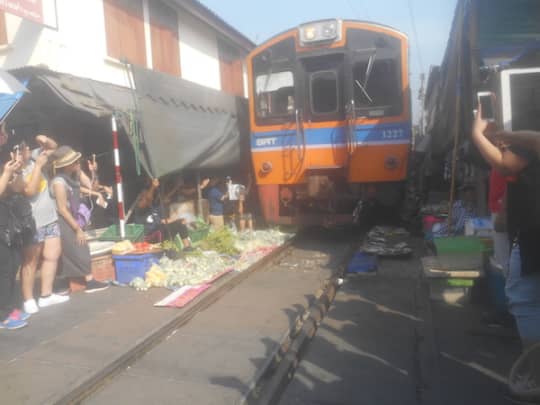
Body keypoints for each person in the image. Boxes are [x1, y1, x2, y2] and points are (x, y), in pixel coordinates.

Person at [472, 106, 540, 350]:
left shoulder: (529, 148)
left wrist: (478, 134)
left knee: (523, 296)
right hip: (526, 231)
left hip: (533, 235)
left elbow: (505, 166)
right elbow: (512, 179)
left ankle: (534, 370)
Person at [20, 136, 69, 314]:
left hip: (50, 217)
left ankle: (46, 295)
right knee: (30, 262)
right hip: (33, 221)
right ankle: (28, 299)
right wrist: (39, 166)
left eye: (27, 148)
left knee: (52, 256)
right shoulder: (17, 169)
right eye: (23, 149)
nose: (27, 151)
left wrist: (45, 139)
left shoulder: (34, 157)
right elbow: (30, 191)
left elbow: (54, 147)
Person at [50, 146, 109, 293]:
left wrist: (93, 172)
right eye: (75, 161)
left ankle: (66, 283)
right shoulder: (59, 182)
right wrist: (77, 229)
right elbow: (62, 208)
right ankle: (89, 281)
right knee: (78, 247)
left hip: (72, 216)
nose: (78, 162)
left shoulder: (72, 176)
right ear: (66, 164)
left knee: (75, 248)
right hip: (63, 219)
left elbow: (89, 186)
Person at [0, 155, 35, 329]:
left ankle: (10, 308)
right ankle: (2, 316)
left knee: (13, 265)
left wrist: (18, 170)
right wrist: (6, 172)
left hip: (8, 227)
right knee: (3, 272)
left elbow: (16, 188)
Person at [134, 177, 194, 250]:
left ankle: (187, 247)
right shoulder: (140, 208)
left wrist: (178, 219)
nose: (150, 196)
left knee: (179, 222)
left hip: (160, 232)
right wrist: (153, 187)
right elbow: (148, 199)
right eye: (144, 196)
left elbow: (163, 221)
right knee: (164, 229)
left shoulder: (156, 207)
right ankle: (168, 248)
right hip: (149, 236)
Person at [488, 168, 509, 275]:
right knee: (502, 256)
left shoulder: (511, 156)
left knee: (504, 259)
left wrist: (502, 211)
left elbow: (511, 184)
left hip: (502, 209)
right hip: (499, 208)